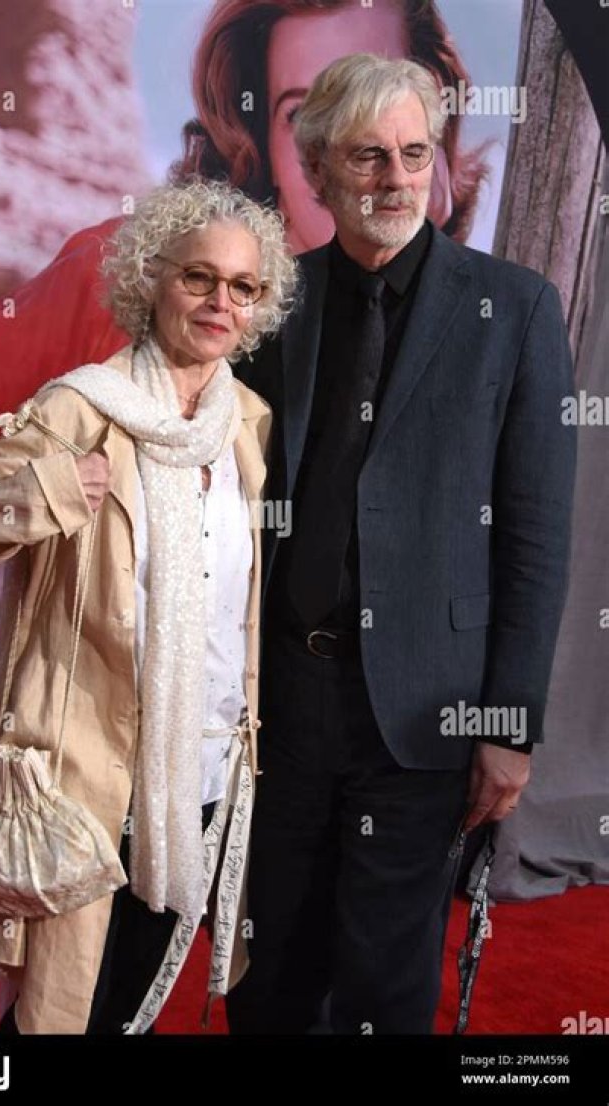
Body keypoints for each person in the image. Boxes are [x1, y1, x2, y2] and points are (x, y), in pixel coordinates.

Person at [0, 0, 490, 848]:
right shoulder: (123, 282)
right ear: (264, 146)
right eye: (306, 112)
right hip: (116, 832)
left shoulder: (485, 327)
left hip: (364, 837)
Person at [224, 53, 577, 1034]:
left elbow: (536, 537)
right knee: (267, 970)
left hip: (429, 707)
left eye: (415, 154)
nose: (395, 178)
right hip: (281, 698)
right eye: (368, 156)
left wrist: (510, 724)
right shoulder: (270, 303)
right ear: (316, 169)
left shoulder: (515, 309)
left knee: (384, 987)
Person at [0, 179, 298, 1034]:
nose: (221, 302)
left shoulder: (249, 424)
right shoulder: (80, 407)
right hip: (84, 773)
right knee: (58, 1012)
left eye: (243, 287)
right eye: (199, 277)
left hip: (203, 772)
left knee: (136, 1000)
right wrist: (50, 489)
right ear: (152, 279)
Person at [171, 0, 489, 251]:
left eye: (376, 99)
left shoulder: (493, 297)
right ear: (264, 148)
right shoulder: (182, 289)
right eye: (302, 113)